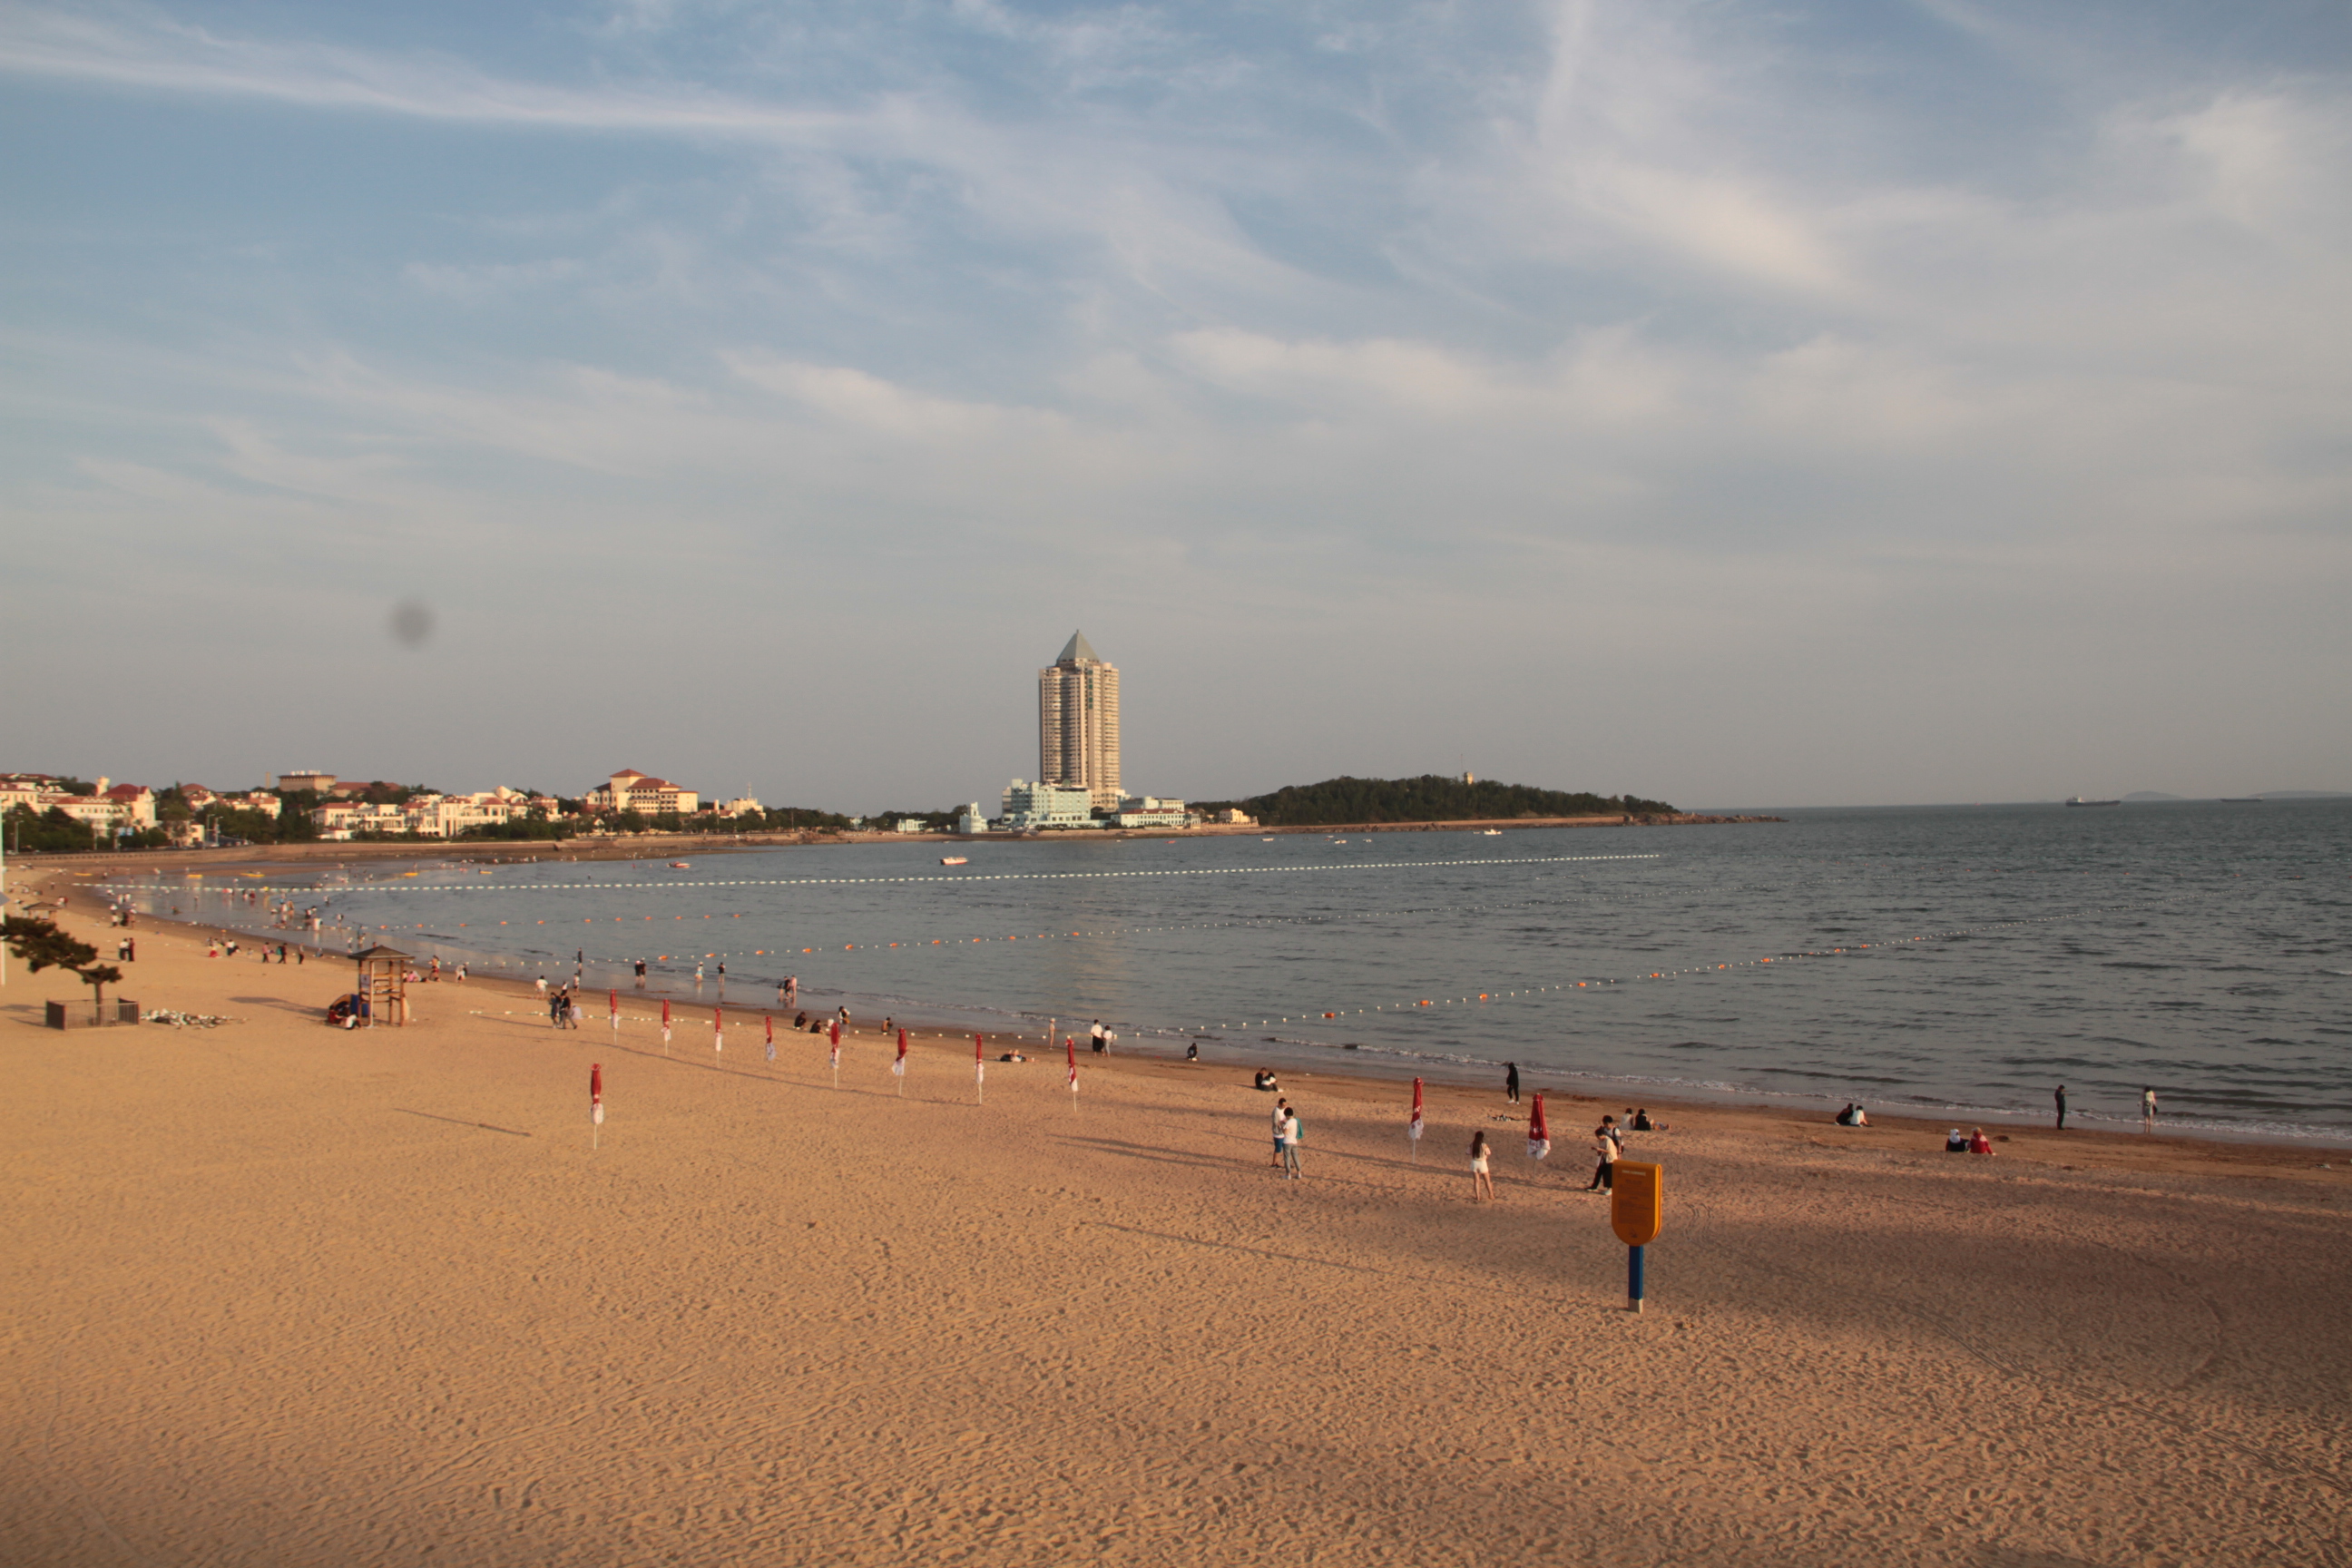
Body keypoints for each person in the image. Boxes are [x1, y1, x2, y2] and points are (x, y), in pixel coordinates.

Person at [1584, 1116, 1619, 1191]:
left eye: (1597, 1136)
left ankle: (1610, 1189)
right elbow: (1601, 1150)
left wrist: (1600, 1149)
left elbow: (1609, 1151)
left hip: (1611, 1160)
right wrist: (1598, 1151)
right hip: (1605, 1159)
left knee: (1607, 1175)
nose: (1597, 1138)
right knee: (1599, 1172)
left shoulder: (1608, 1140)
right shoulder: (1601, 1141)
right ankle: (1594, 1186)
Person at [1470, 1130, 1494, 1201]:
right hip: (1482, 1163)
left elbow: (1468, 1152)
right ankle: (1491, 1194)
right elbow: (1488, 1153)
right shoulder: (1484, 1145)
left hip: (1474, 1162)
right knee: (1487, 1180)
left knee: (1476, 1181)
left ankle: (1478, 1196)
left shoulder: (1472, 1144)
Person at [1279, 1108, 1303, 1180]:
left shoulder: (1289, 1123)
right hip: (1294, 1141)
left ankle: (1288, 1174)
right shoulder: (1296, 1121)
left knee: (1287, 1158)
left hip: (1287, 1142)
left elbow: (1285, 1132)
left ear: (1287, 1115)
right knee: (1296, 1157)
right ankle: (1299, 1173)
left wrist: (1281, 1126)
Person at [1269, 1096, 1289, 1166]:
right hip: (1278, 1133)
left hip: (1284, 1132)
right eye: (1283, 1105)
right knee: (1278, 1148)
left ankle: (1287, 1163)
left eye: (1285, 1105)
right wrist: (1283, 1122)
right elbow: (1275, 1123)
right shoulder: (1276, 1111)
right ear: (1279, 1104)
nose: (1285, 1106)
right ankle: (1274, 1163)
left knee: (1286, 1148)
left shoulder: (1285, 1110)